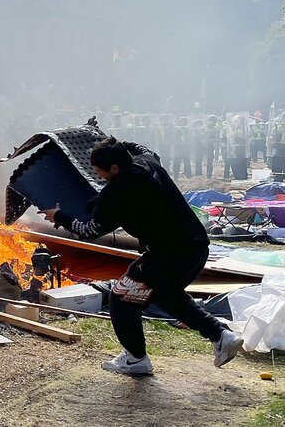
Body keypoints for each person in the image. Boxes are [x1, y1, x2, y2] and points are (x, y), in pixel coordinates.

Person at [39, 138, 244, 375]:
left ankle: (136, 359)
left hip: (168, 256)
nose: (98, 176)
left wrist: (58, 216)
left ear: (114, 169)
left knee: (121, 297)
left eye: (99, 171)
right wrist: (105, 140)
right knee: (166, 295)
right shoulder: (149, 162)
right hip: (196, 247)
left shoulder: (117, 193)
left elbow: (89, 230)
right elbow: (139, 147)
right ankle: (221, 336)